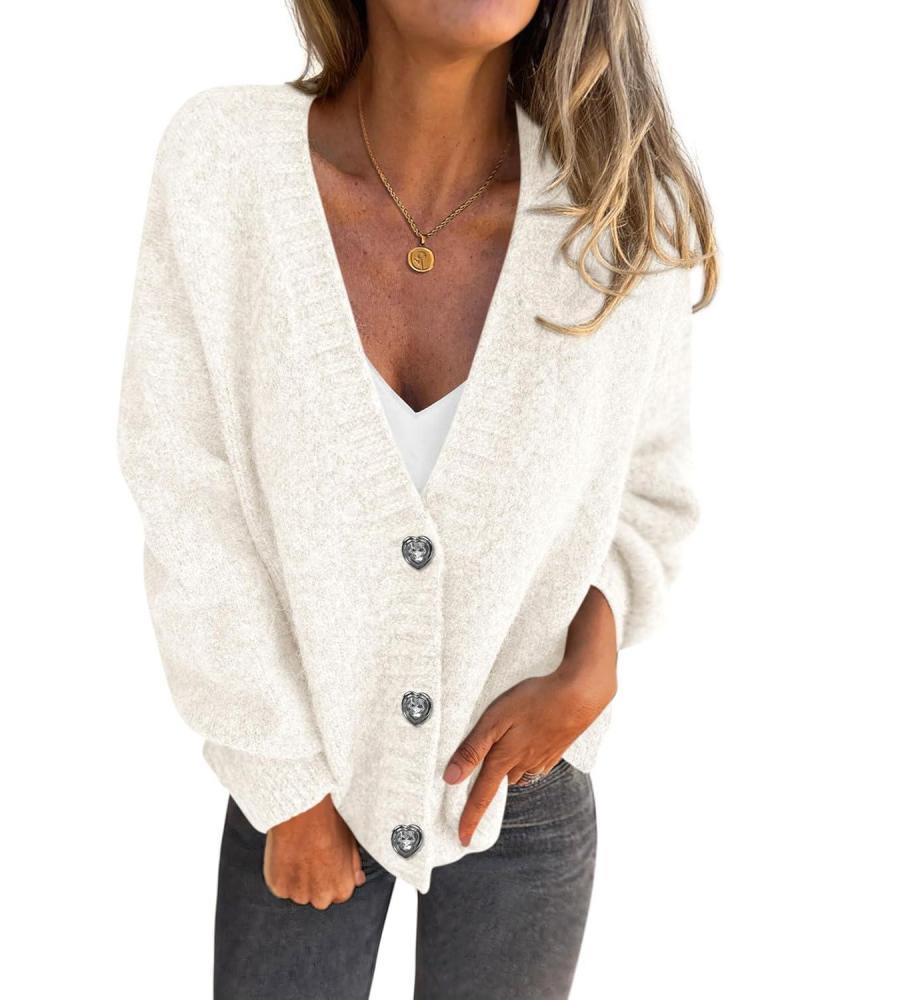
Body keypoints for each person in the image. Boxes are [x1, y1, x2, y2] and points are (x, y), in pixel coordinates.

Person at [117, 1, 717, 997]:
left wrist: (592, 667)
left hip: (526, 785)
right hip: (297, 782)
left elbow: (650, 496)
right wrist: (286, 783)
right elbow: (186, 490)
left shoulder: (617, 213)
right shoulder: (226, 162)